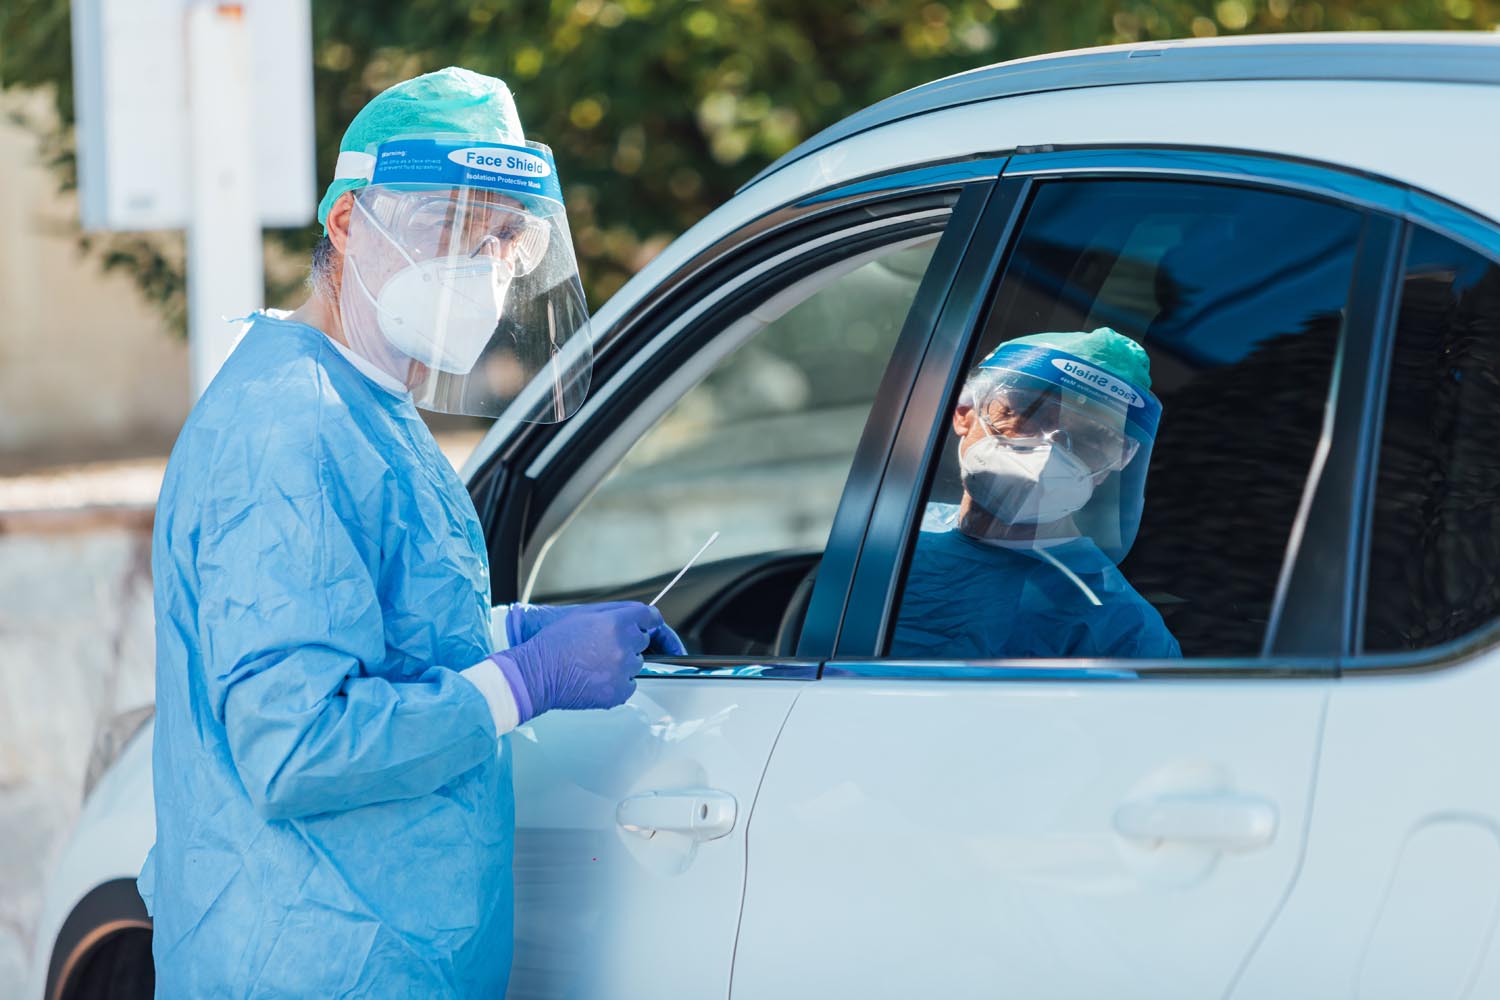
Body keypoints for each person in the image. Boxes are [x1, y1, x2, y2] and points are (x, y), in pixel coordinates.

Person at [137, 67, 682, 997]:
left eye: (505, 238)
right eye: (447, 229)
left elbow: (378, 624)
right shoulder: (287, 425)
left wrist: (511, 632)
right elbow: (298, 744)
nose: (482, 263)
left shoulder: (364, 405)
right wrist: (526, 682)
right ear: (347, 223)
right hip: (311, 959)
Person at [889, 328, 1181, 660]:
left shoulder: (1124, 630)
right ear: (964, 413)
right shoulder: (892, 535)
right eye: (1027, 412)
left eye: (1089, 437)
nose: (1046, 453)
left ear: (1116, 462)